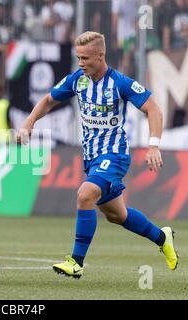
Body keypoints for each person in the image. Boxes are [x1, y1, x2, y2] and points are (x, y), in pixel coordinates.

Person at [17, 31, 178, 279]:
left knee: (85, 194)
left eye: (85, 58)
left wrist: (153, 145)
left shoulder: (120, 83)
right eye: (78, 58)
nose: (80, 63)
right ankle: (161, 237)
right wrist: (29, 122)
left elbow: (153, 108)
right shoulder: (77, 80)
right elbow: (49, 100)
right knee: (117, 215)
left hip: (114, 155)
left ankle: (77, 262)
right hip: (91, 157)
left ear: (101, 56)